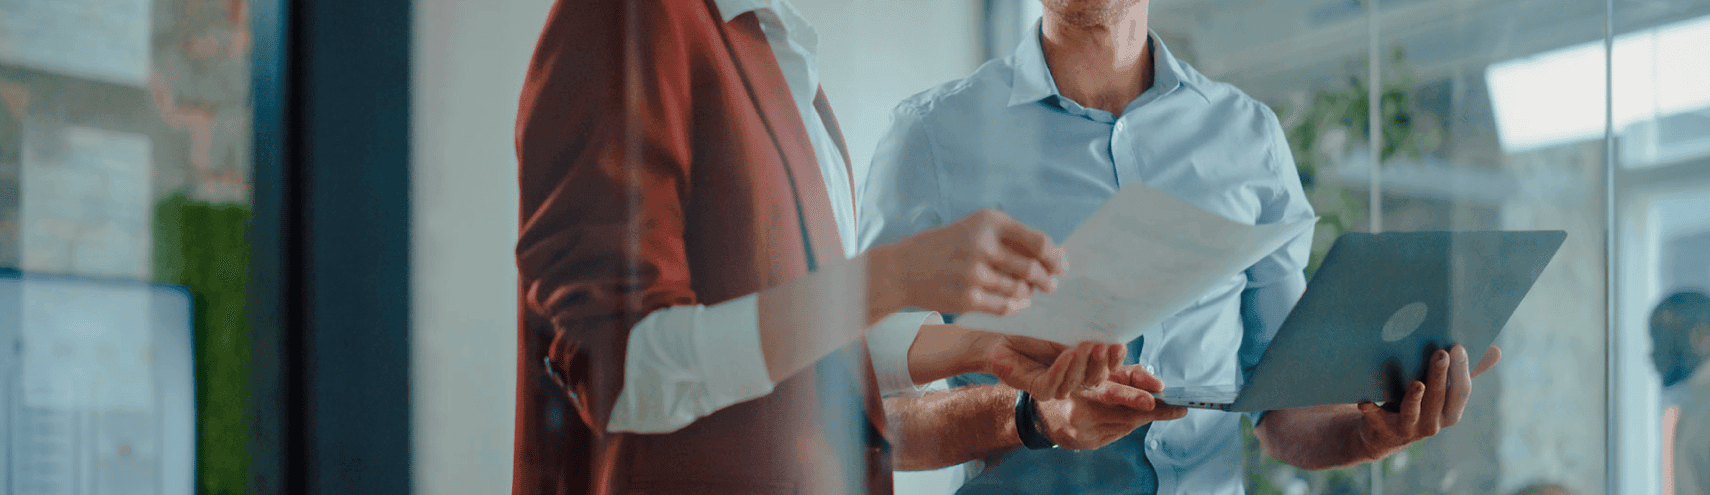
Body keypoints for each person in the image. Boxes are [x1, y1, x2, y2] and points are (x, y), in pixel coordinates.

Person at [859, 1, 1499, 493]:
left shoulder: (1248, 136)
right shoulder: (932, 138)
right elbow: (869, 421)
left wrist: (1370, 431)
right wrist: (1030, 414)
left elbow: (1282, 412)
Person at [510, 1, 1128, 494]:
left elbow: (794, 338)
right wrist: (892, 277)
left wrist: (984, 347)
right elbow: (622, 371)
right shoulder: (627, 19)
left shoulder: (770, 44)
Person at [1650, 290, 1710, 495]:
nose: (1654, 353)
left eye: (1667, 337)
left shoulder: (1702, 409)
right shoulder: (1694, 406)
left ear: (1703, 338)